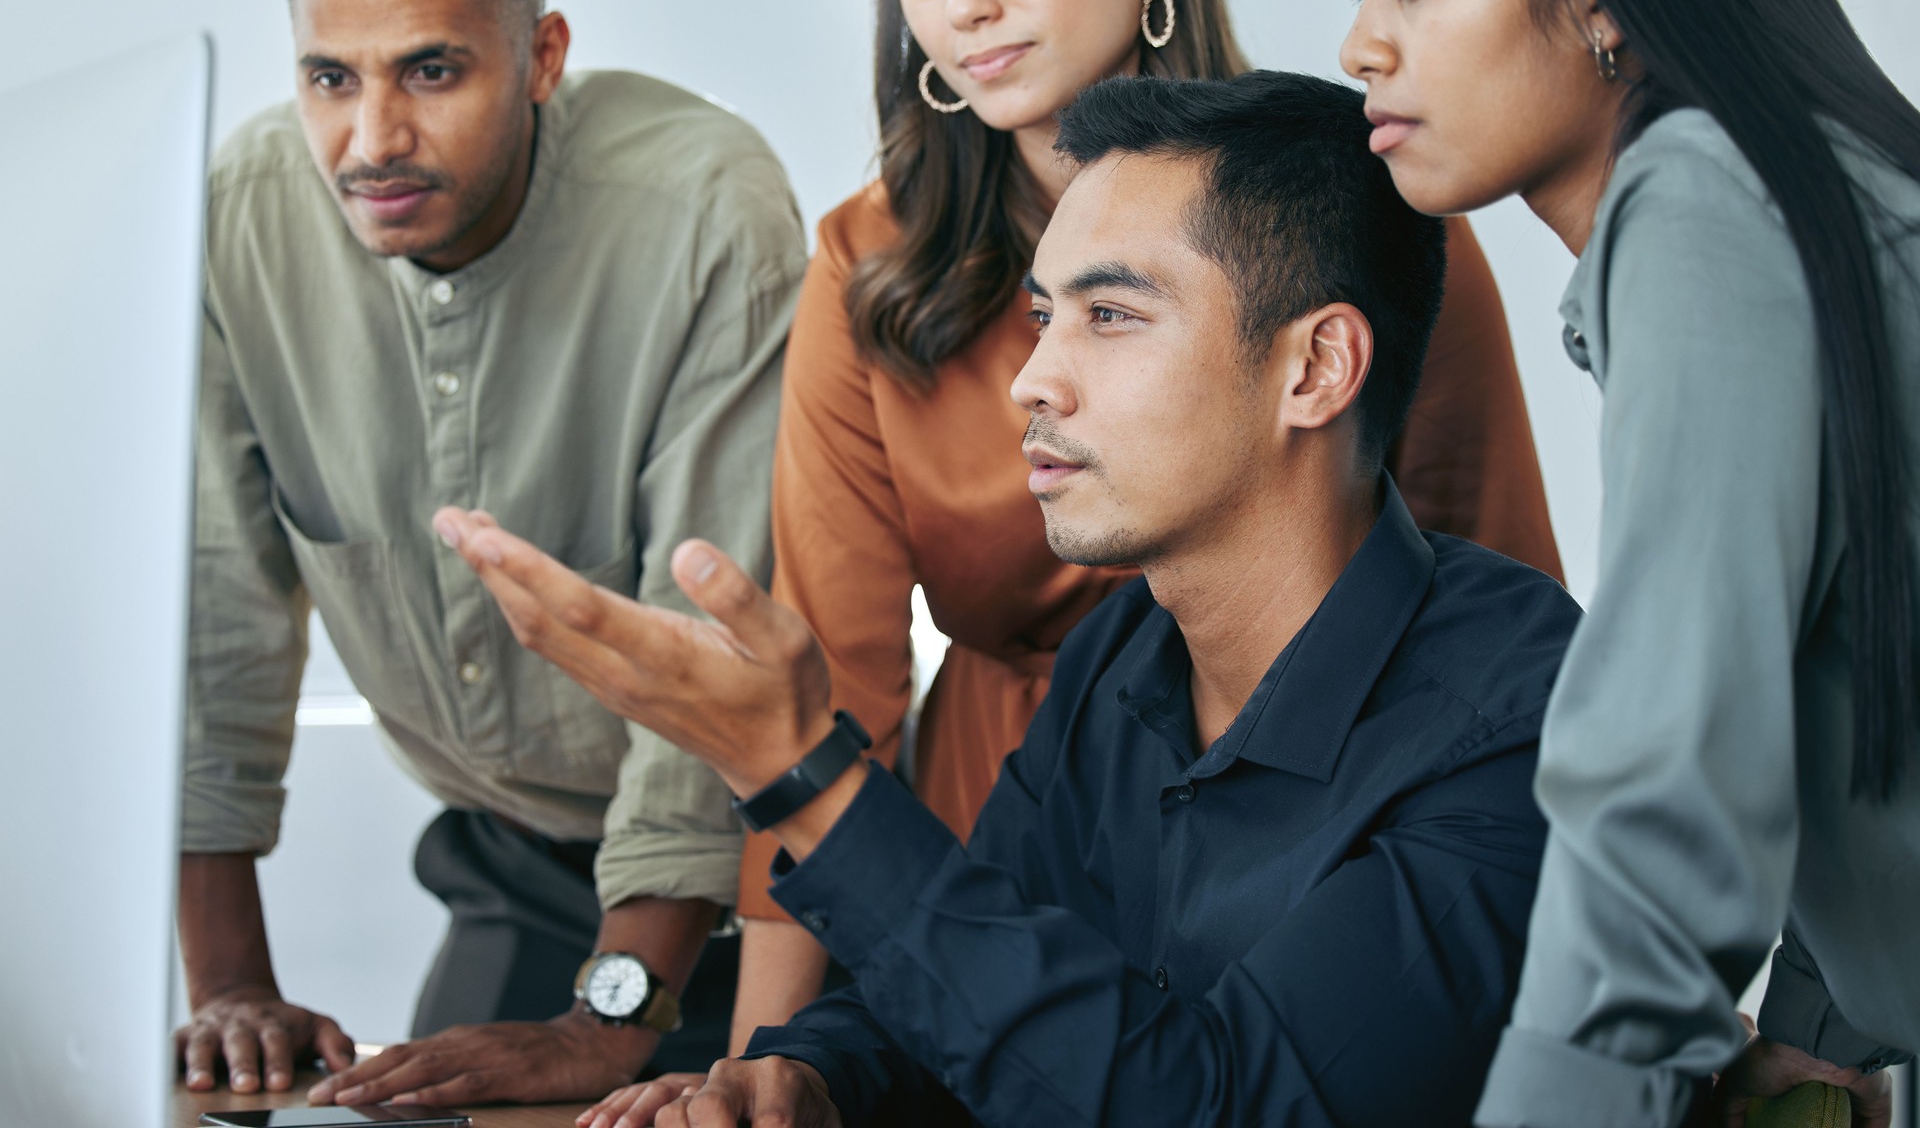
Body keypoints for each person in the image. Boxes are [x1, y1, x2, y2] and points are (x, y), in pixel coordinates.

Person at [437, 71, 1584, 1128]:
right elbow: (991, 979)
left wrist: (802, 773)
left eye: (1113, 314)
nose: (1036, 377)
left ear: (1317, 367)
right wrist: (813, 1073)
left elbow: (1207, 1104)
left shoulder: (1517, 717)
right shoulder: (1125, 648)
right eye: (1046, 314)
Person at [731, 0, 1563, 1048]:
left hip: (1313, 868)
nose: (965, 8)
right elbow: (827, 685)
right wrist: (757, 1067)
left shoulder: (1362, 209)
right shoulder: (866, 267)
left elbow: (1493, 592)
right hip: (991, 847)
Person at [1333, 0, 1920, 1127]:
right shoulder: (1801, 187)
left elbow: (1672, 779)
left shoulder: (1701, 200)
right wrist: (1823, 1022)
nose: (1360, 44)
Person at [175, 0, 806, 1110]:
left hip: (772, 861)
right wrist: (231, 982)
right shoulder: (239, 218)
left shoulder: (705, 212)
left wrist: (606, 1015)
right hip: (510, 852)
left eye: (430, 70)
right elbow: (216, 622)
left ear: (544, 58)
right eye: (328, 77)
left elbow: (707, 652)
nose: (370, 137)